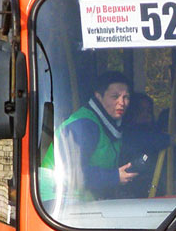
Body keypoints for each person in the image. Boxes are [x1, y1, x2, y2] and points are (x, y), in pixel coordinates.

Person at [40, 71, 137, 201]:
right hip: (54, 202)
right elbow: (70, 171)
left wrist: (169, 139)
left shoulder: (110, 125)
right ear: (98, 97)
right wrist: (114, 177)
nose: (122, 103)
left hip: (78, 200)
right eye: (115, 96)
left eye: (126, 97)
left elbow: (137, 139)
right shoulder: (83, 125)